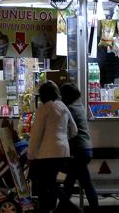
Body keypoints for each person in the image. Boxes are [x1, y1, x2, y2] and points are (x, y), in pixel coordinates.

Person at [28, 80, 78, 213]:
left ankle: (67, 207)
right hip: (63, 152)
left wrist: (31, 155)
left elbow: (36, 134)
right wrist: (63, 137)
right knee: (52, 182)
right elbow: (74, 130)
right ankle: (54, 207)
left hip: (47, 153)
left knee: (45, 183)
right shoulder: (63, 107)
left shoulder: (44, 109)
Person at [59, 82, 99, 210]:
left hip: (79, 151)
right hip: (86, 149)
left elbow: (68, 131)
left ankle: (63, 208)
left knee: (72, 183)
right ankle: (62, 208)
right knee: (78, 182)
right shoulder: (79, 106)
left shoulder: (69, 110)